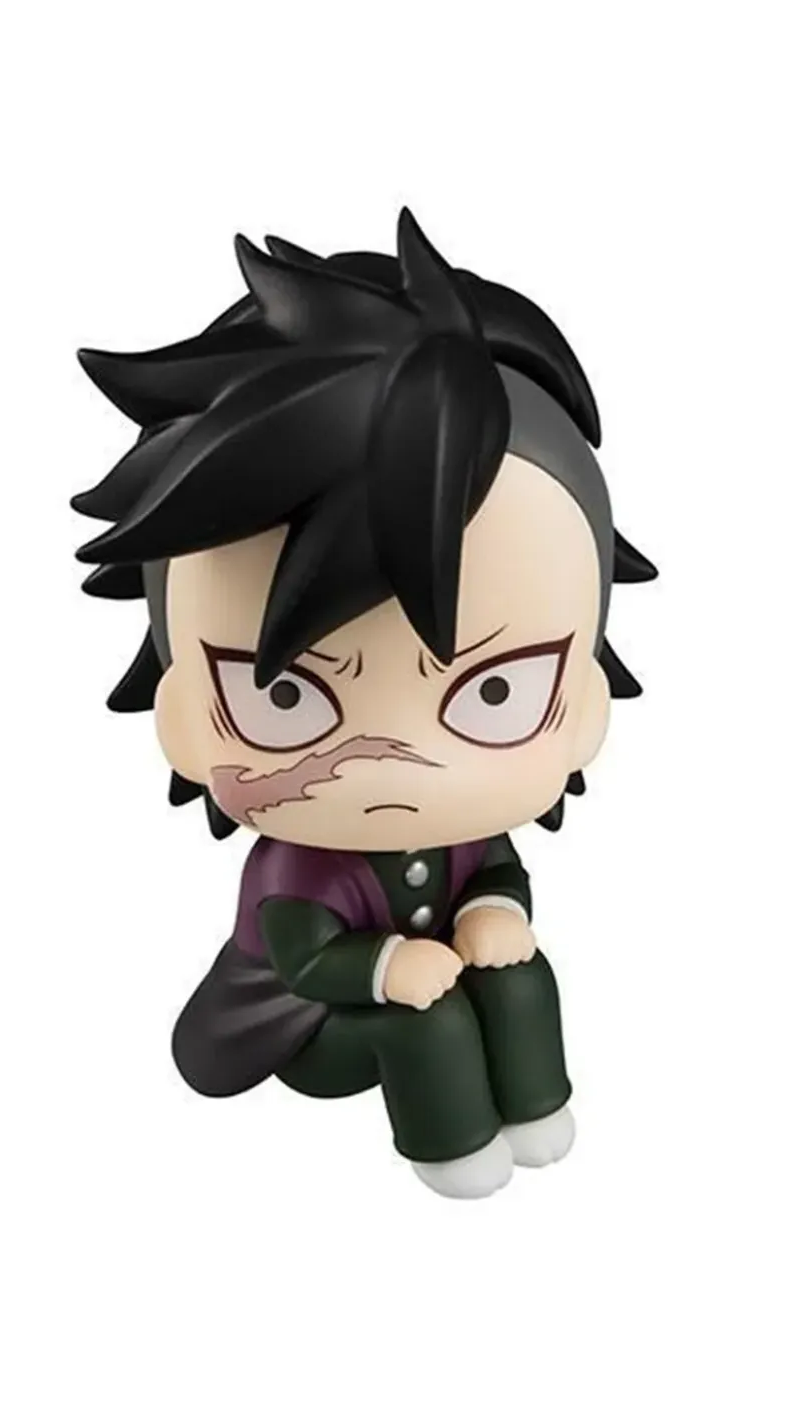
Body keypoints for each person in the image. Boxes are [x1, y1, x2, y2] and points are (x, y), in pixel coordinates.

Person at [73, 210, 655, 1198]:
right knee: (423, 1025)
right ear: (186, 718)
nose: (392, 761)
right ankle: (451, 1149)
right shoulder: (301, 864)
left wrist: (495, 914)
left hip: (435, 971)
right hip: (315, 1029)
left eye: (494, 691)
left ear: (582, 702)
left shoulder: (471, 834)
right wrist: (385, 968)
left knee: (520, 975)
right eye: (285, 695)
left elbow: (497, 875)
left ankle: (534, 1107)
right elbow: (304, 961)